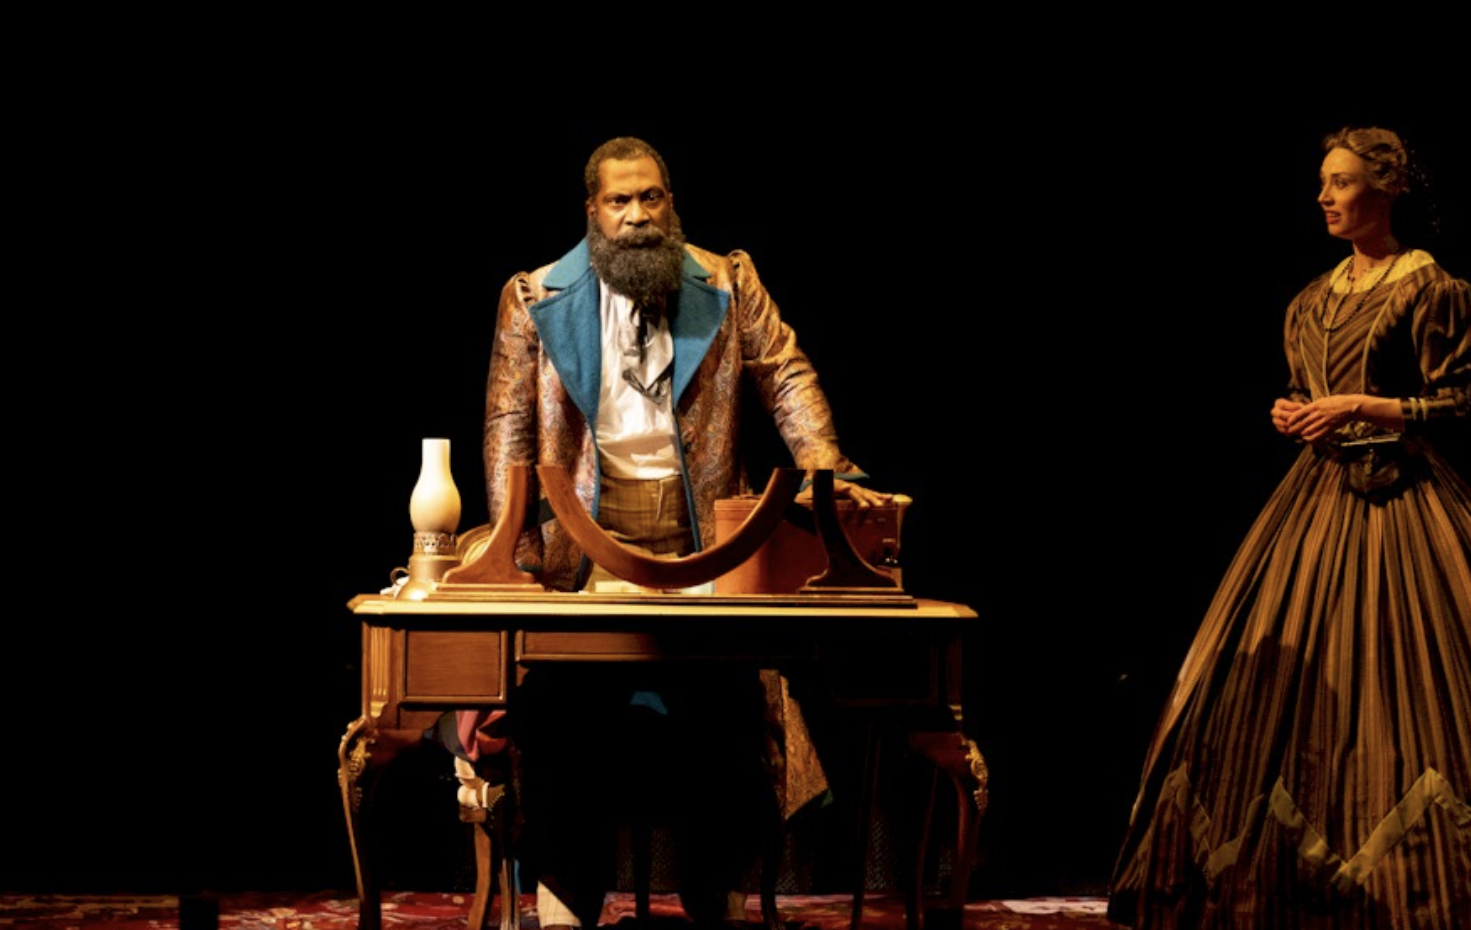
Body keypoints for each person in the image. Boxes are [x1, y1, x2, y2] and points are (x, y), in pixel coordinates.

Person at [443, 136, 891, 930]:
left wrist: (827, 477)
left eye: (650, 197)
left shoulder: (727, 281)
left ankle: (716, 897)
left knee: (725, 709)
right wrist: (514, 551)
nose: (637, 215)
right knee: (563, 710)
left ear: (670, 203)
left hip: (702, 546)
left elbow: (785, 376)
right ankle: (565, 899)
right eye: (619, 201)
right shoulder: (534, 296)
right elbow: (507, 425)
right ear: (592, 211)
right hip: (583, 545)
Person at [1107, 125, 1470, 929]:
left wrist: (1360, 405)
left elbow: (1457, 402)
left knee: (1403, 685)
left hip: (1402, 502)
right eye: (1322, 181)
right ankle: (1270, 884)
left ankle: (1411, 890)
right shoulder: (1310, 297)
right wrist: (1293, 410)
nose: (1324, 196)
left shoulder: (1430, 288)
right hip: (1314, 499)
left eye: (1341, 181)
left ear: (1386, 188)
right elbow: (1307, 387)